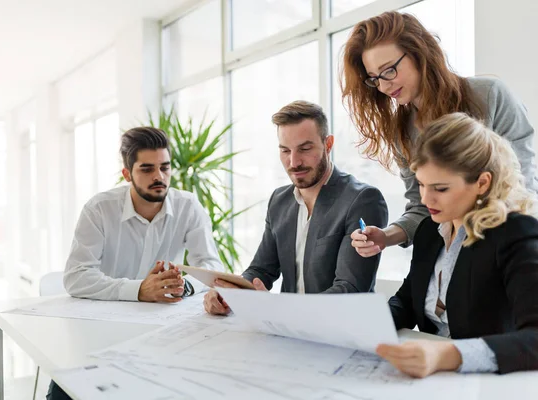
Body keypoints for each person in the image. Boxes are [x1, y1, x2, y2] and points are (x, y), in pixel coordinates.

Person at [342, 11, 538, 257]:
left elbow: (523, 187)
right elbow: (423, 208)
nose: (383, 86)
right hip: (447, 254)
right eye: (374, 78)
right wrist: (385, 236)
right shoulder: (401, 131)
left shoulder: (489, 95)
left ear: (419, 53)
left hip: (506, 247)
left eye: (389, 70)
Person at [48, 127, 223, 399]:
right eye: (147, 169)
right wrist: (139, 289)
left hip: (162, 333)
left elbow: (212, 267)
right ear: (127, 174)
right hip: (99, 331)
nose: (159, 177)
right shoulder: (99, 209)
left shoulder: (188, 206)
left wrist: (181, 287)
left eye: (165, 168)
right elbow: (76, 276)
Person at [376, 113, 538, 377]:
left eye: (440, 189)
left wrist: (447, 355)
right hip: (432, 380)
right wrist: (364, 325)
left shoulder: (515, 233)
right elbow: (406, 302)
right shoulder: (430, 229)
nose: (426, 199)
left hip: (489, 384)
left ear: (482, 183)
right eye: (421, 184)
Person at [204, 100, 388, 315]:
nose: (294, 162)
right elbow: (261, 269)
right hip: (288, 331)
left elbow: (350, 290)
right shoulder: (279, 200)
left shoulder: (362, 199)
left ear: (328, 144)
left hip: (340, 331)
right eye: (285, 150)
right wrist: (231, 293)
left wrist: (278, 308)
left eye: (305, 149)